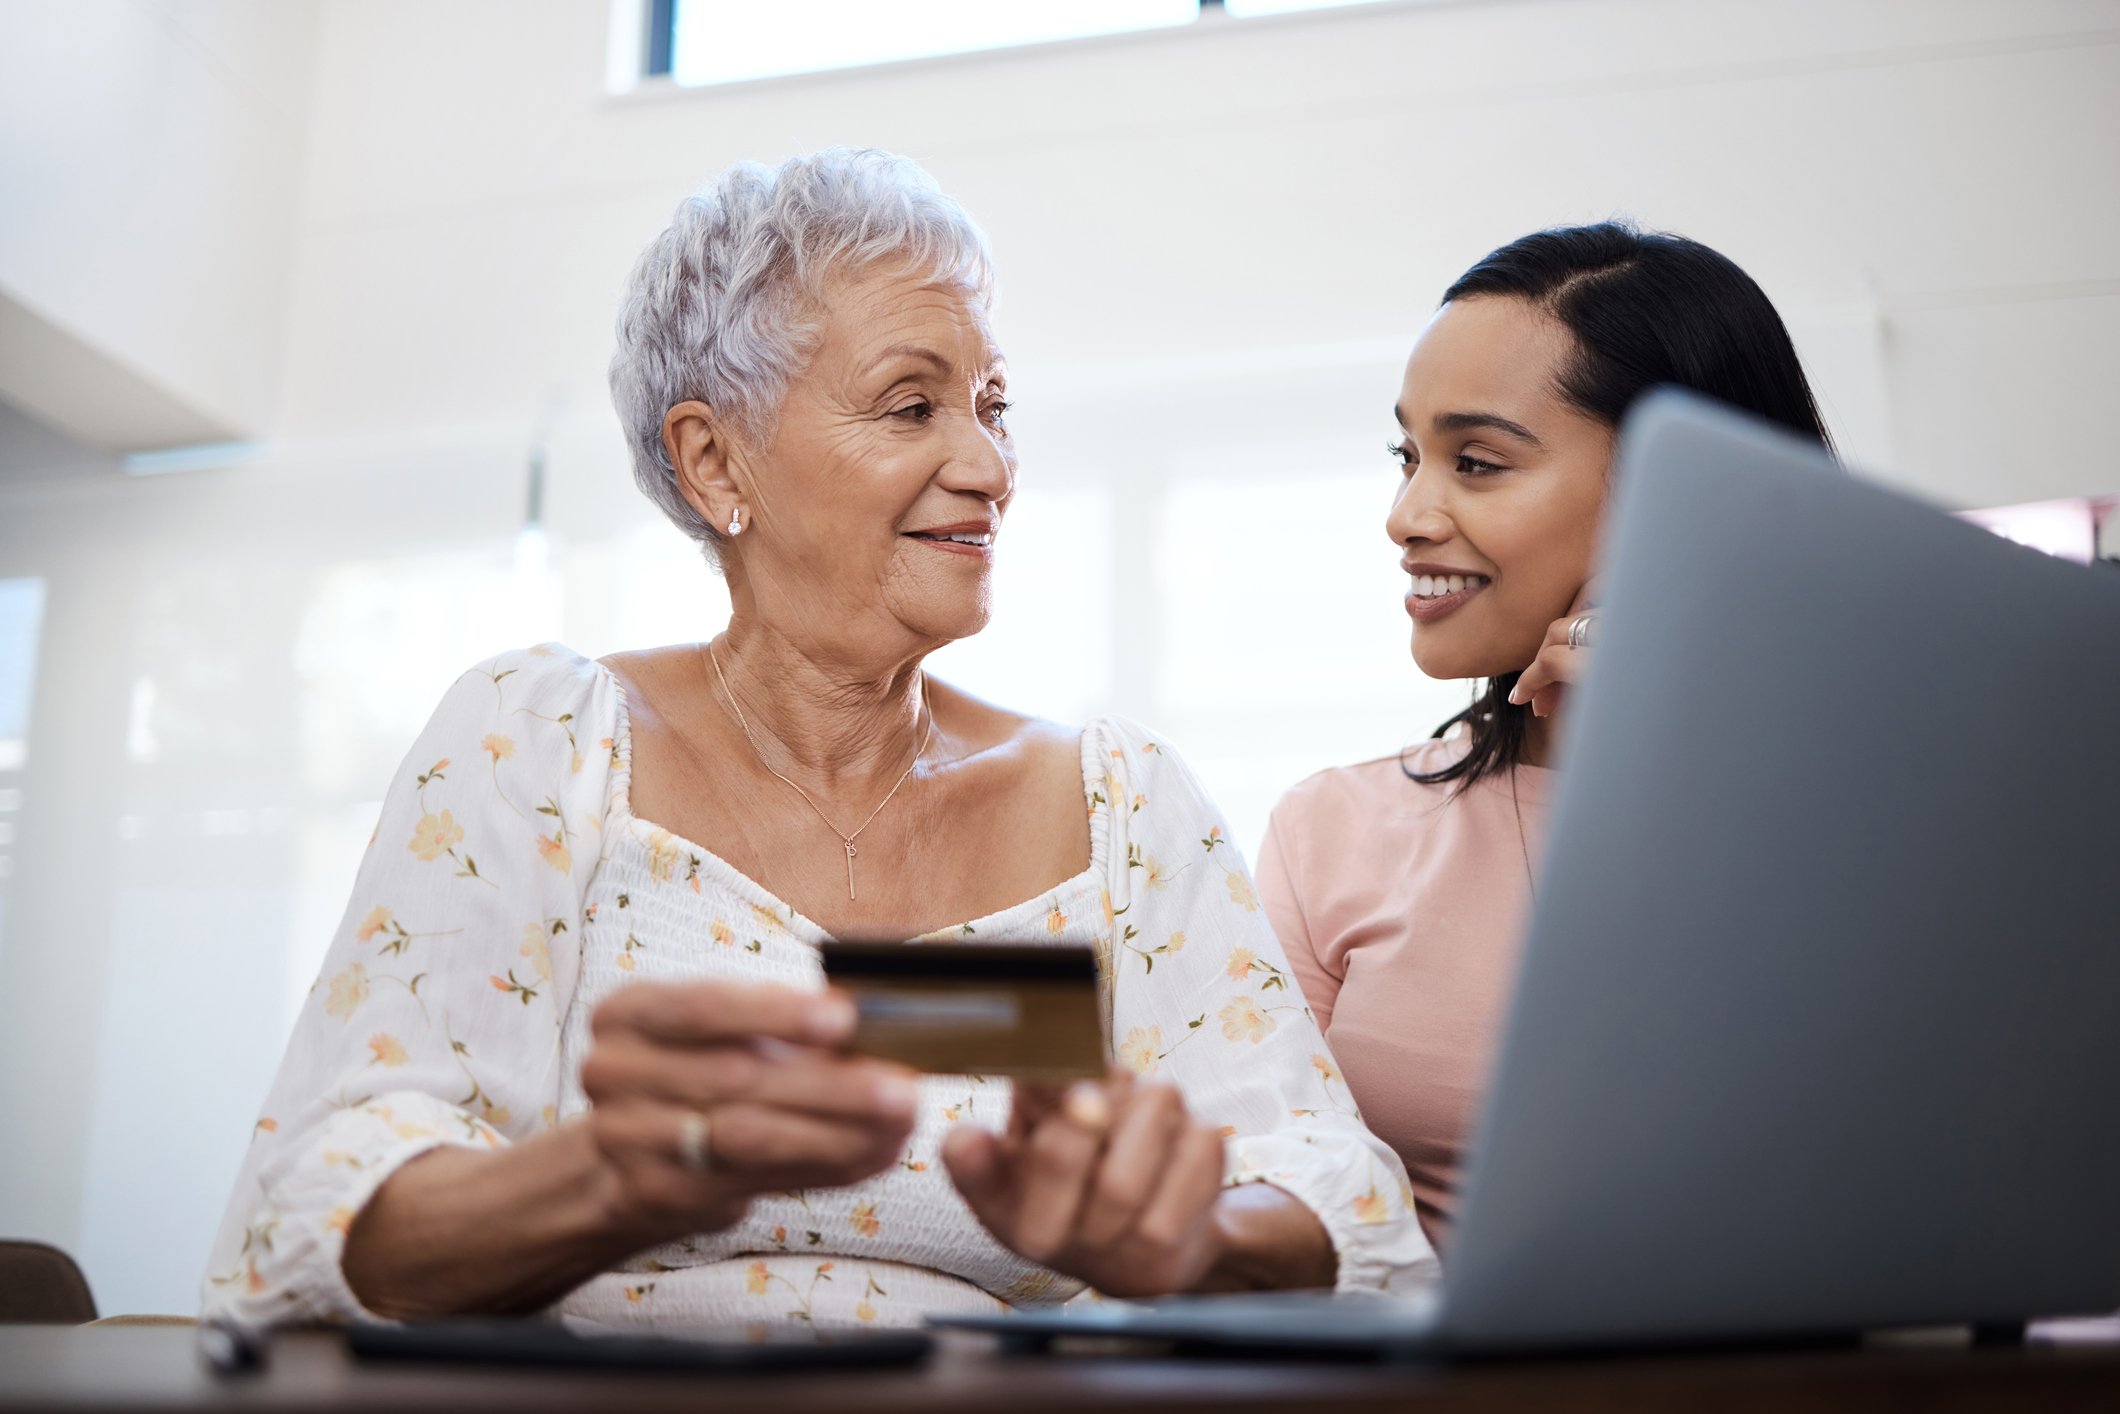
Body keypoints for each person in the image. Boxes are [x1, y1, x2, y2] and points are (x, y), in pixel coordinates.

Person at [202, 148, 1432, 1329]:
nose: (989, 464)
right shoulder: (537, 740)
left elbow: (1334, 1192)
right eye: (912, 406)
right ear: (712, 458)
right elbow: (330, 1202)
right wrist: (615, 1181)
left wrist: (1191, 1239)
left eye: (993, 406)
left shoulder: (1121, 802)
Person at [1255, 222, 1833, 1250]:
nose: (1405, 513)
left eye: (1474, 461)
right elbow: (1265, 1182)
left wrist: (1674, 762)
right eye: (1407, 456)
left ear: (1683, 487)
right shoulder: (1328, 832)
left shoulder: (1871, 816)